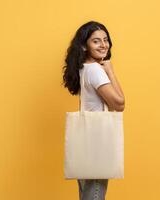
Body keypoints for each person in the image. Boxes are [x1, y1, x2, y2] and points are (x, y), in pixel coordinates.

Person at [62, 21, 125, 200]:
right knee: (95, 195)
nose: (103, 45)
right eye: (96, 41)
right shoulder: (96, 71)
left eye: (105, 40)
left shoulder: (84, 69)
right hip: (97, 144)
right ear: (84, 45)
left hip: (85, 143)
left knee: (87, 195)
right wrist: (110, 72)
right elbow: (119, 104)